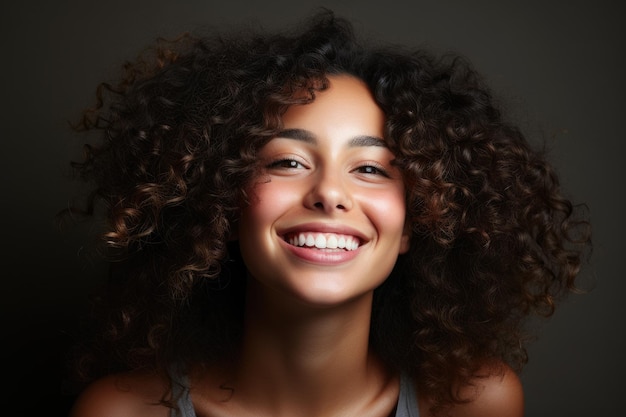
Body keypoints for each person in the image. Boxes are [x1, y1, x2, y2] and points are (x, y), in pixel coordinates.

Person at [64, 9, 590, 417]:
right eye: (289, 161)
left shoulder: (474, 403)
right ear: (222, 203)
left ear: (417, 221)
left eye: (371, 169)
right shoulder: (121, 410)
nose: (330, 193)